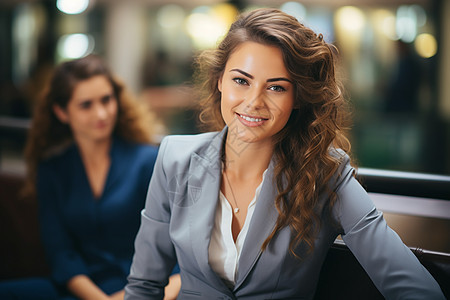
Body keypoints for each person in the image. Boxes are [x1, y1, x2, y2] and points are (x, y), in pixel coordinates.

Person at [124, 8, 445, 300]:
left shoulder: (326, 176)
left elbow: (410, 284)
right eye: (241, 81)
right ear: (219, 80)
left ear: (298, 98)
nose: (254, 101)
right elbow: (143, 287)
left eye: (276, 87)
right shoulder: (174, 159)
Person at [0, 54, 180, 300]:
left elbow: (177, 247)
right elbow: (61, 253)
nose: (101, 114)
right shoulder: (53, 169)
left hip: (143, 287)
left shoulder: (147, 161)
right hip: (83, 287)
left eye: (106, 100)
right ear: (62, 112)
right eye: (86, 105)